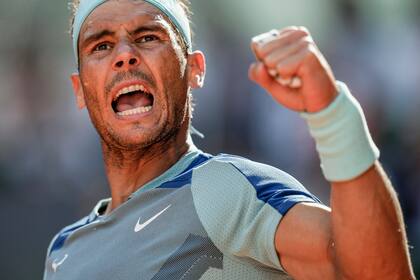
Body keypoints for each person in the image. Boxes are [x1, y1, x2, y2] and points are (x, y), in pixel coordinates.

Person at [43, 0, 415, 279]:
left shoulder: (222, 188)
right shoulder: (62, 253)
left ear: (195, 71)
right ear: (79, 89)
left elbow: (377, 274)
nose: (125, 55)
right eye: (101, 46)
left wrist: (334, 117)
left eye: (147, 37)